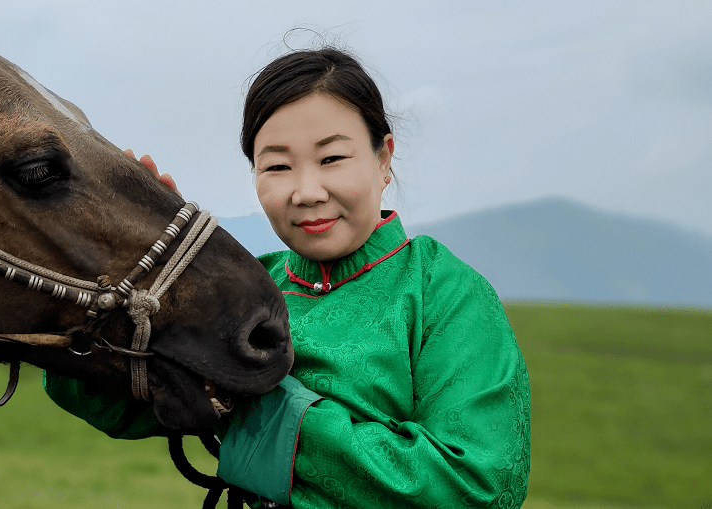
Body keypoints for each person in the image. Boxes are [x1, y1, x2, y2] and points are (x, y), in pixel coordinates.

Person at [44, 47, 530, 508]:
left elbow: (477, 486)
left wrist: (257, 406)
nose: (307, 191)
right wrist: (124, 258)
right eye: (277, 165)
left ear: (384, 158)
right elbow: (110, 402)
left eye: (332, 158)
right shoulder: (247, 288)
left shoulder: (443, 292)